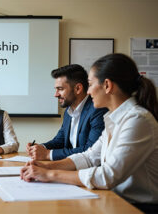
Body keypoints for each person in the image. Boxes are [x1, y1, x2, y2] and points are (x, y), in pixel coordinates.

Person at [21, 53, 158, 213]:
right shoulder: (114, 118)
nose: (89, 91)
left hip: (139, 207)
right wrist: (44, 166)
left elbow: (108, 176)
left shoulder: (138, 119)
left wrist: (50, 174)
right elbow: (89, 156)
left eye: (90, 84)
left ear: (107, 85)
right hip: (116, 200)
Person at [26, 64, 107, 161]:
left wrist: (49, 154)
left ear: (78, 88)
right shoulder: (68, 111)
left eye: (60, 89)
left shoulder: (97, 110)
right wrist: (41, 147)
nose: (56, 95)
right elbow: (59, 140)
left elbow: (89, 150)